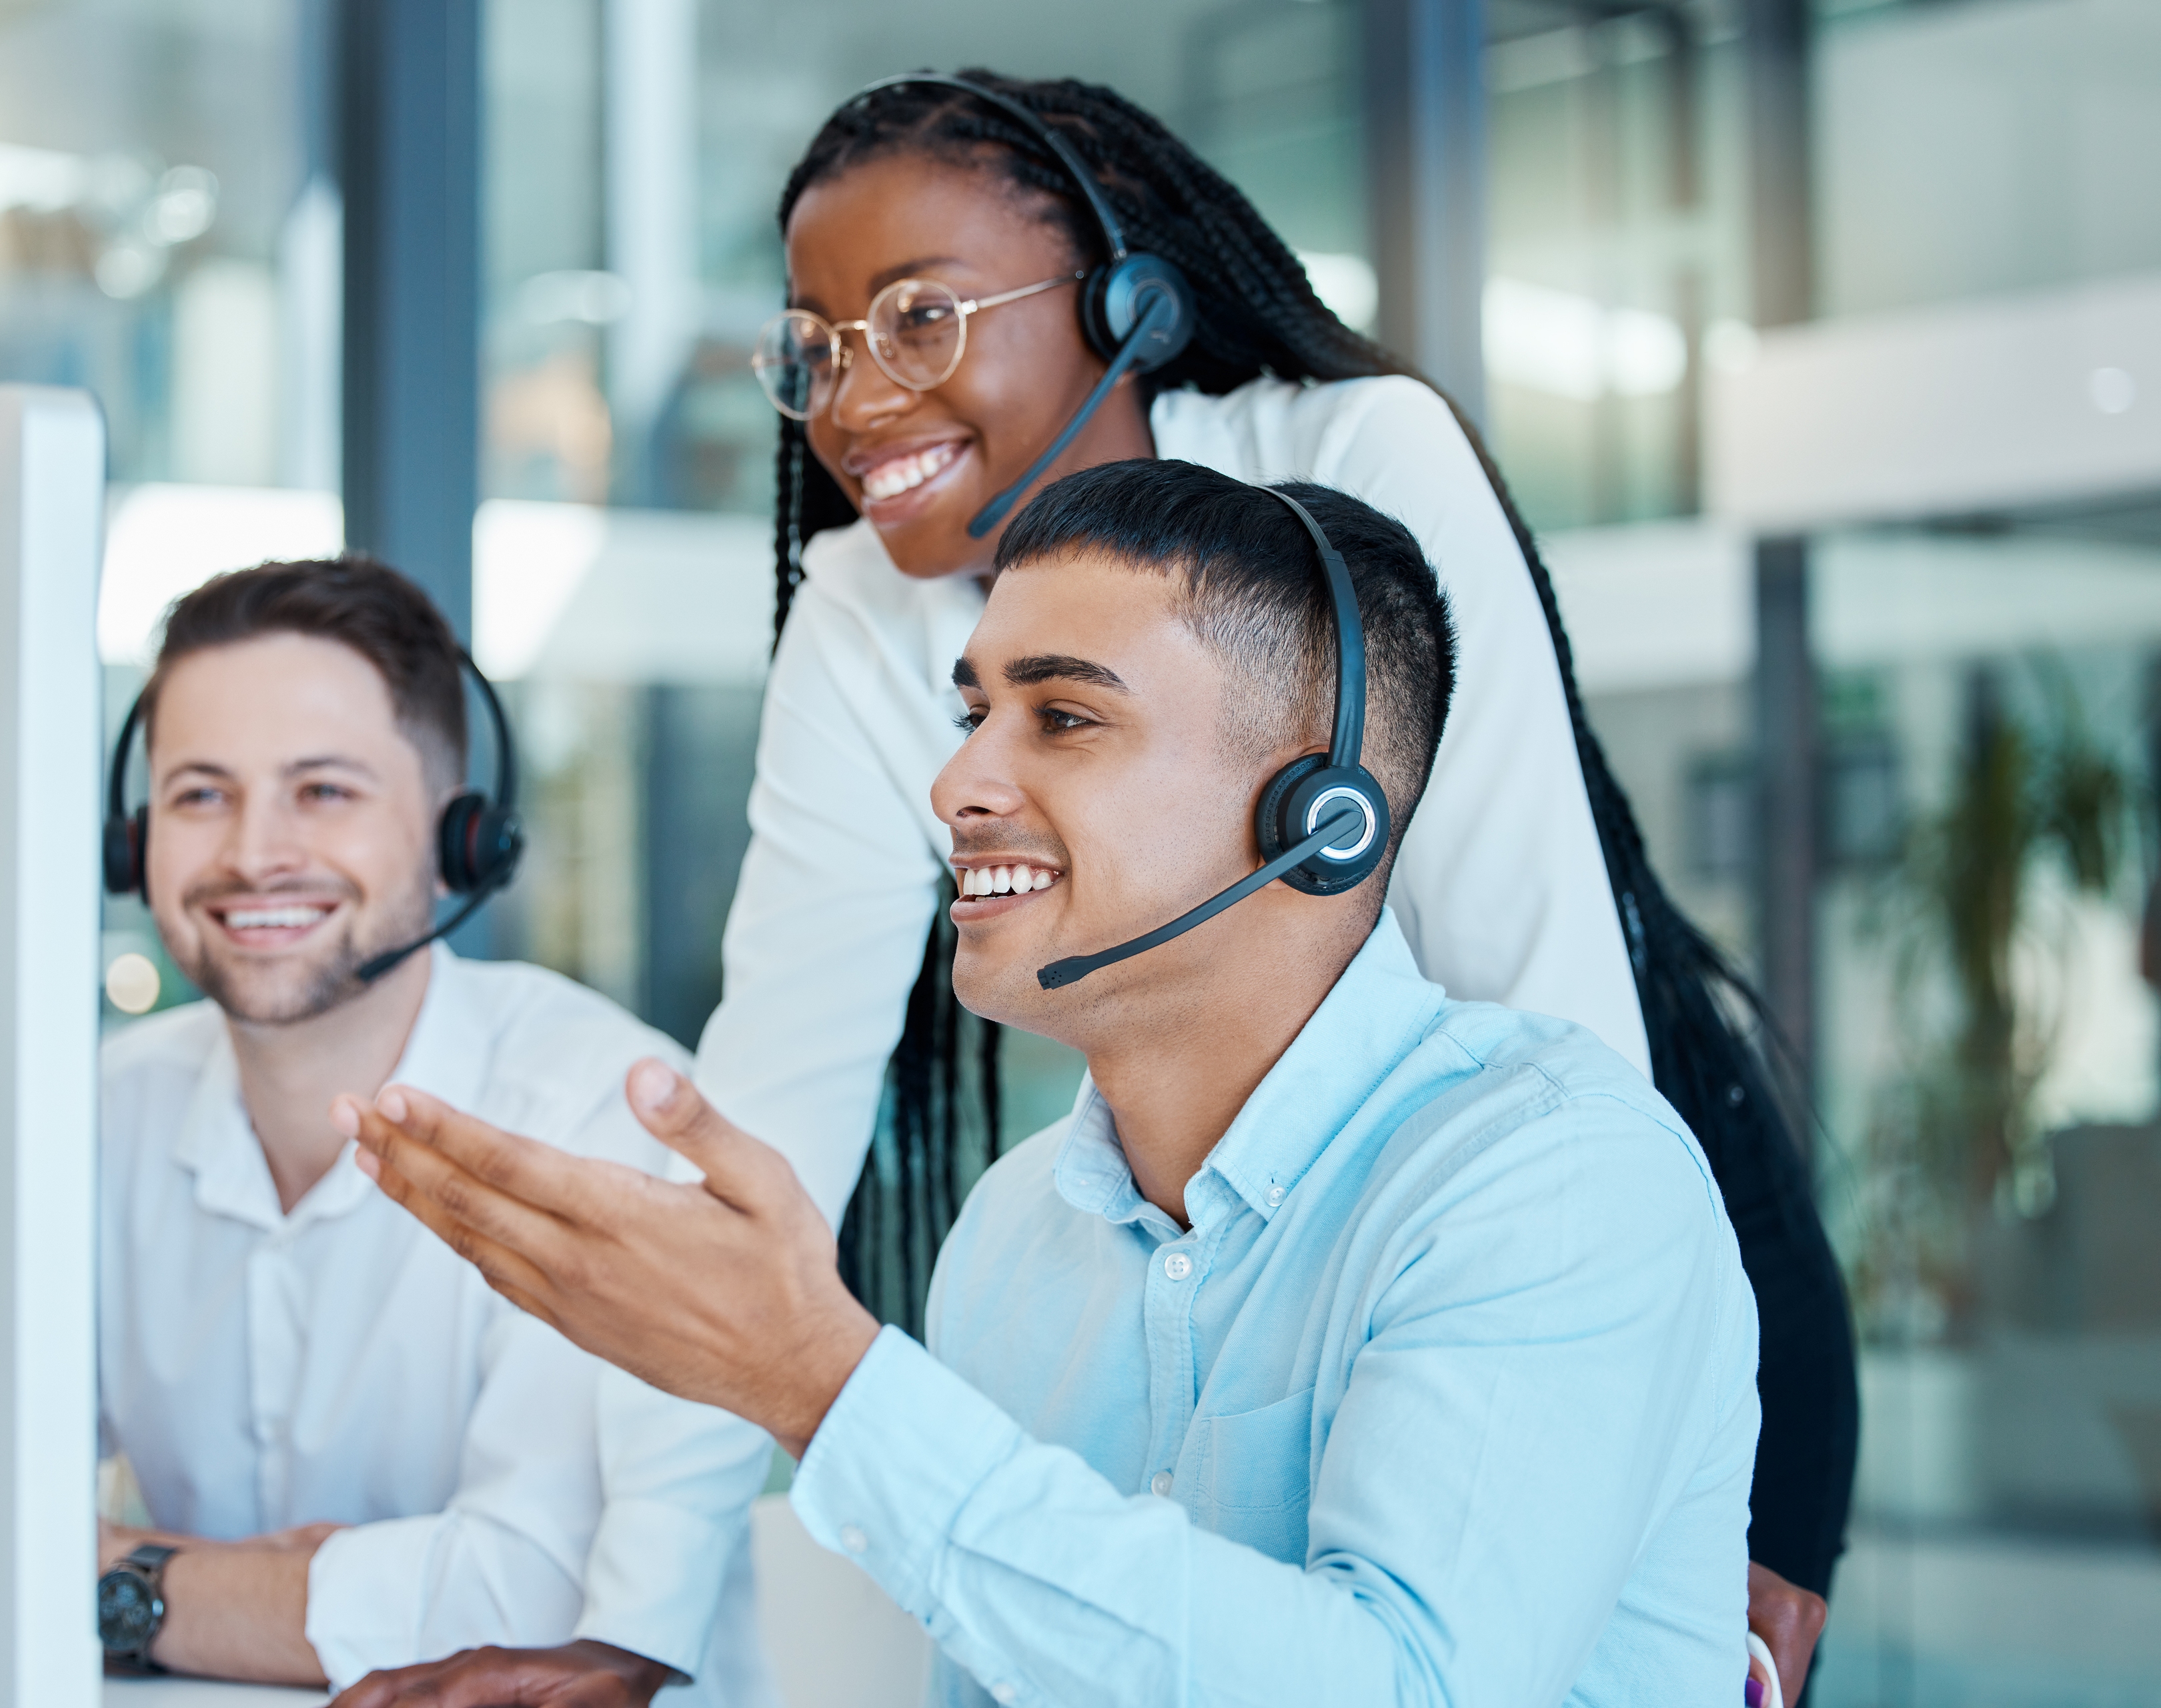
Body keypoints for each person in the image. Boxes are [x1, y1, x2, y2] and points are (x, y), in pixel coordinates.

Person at [694, 69, 1846, 1672]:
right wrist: (617, 1627)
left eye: (921, 320)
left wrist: (1632, 1480)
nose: (855, 397)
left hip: (1602, 1191)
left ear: (1126, 298)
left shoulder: (1357, 459)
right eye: (815, 349)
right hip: (1260, 1219)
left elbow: (1545, 987)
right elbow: (771, 1108)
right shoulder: (859, 614)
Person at [339, 463, 1765, 1705]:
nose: (958, 781)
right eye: (972, 712)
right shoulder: (1019, 1232)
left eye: (1063, 720)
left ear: (1317, 821)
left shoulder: (1554, 1183)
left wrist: (823, 1388)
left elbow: (1400, 1689)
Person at [91, 557, 772, 1706]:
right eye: (202, 793)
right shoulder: (104, 1113)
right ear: (137, 838)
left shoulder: (604, 1111)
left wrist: (127, 1580)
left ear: (463, 836)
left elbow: (533, 1611)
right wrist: (271, 1592)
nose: (255, 852)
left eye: (324, 791)